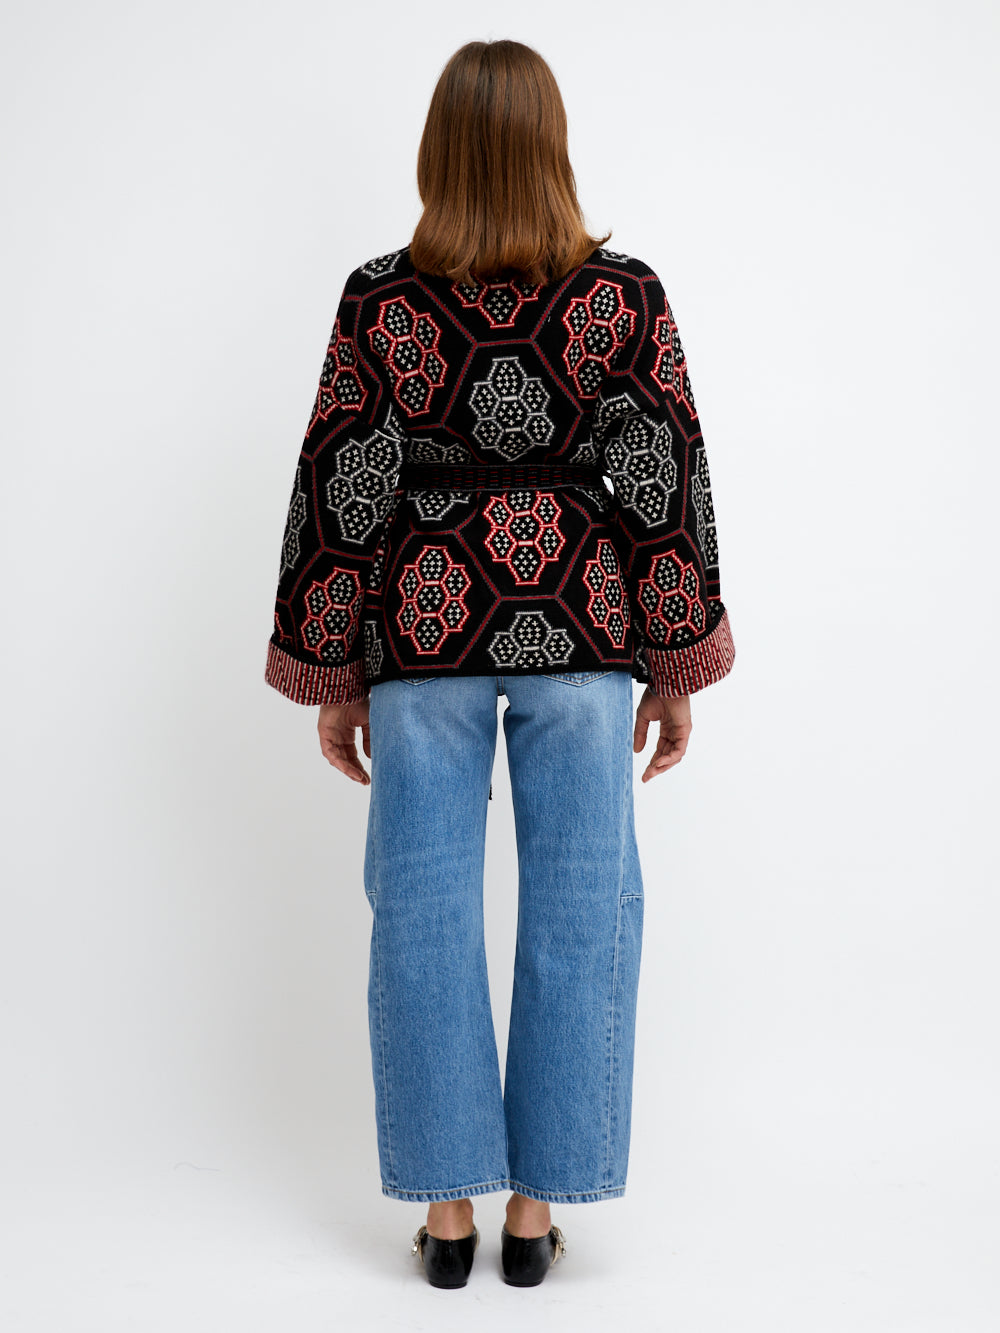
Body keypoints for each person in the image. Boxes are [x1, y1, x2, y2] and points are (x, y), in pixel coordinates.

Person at [264, 38, 735, 1289]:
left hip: (425, 628)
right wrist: (673, 659)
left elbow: (343, 477)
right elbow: (659, 474)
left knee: (420, 910)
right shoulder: (620, 295)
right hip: (581, 619)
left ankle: (449, 1218)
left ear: (440, 151)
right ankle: (534, 1216)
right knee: (585, 906)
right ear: (550, 146)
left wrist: (333, 668)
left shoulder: (382, 299)